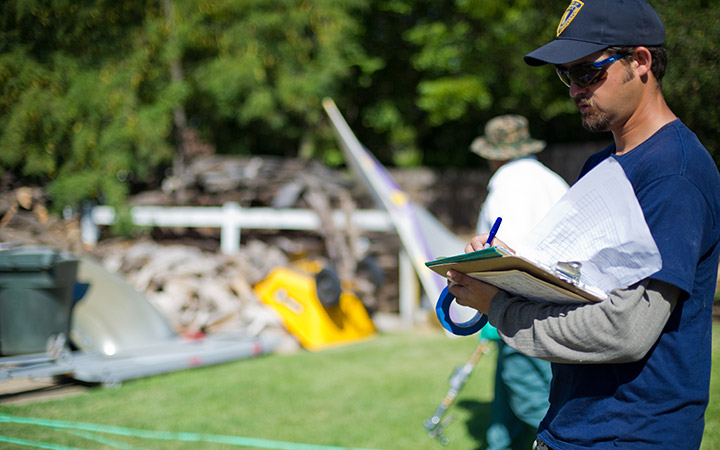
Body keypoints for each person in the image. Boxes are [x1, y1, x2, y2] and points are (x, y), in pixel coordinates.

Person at [446, 1, 720, 449]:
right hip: (572, 427)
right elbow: (580, 287)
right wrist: (507, 268)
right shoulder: (601, 166)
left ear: (641, 61)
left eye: (588, 72)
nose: (574, 89)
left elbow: (626, 329)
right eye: (566, 75)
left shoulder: (675, 173)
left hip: (632, 435)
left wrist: (499, 307)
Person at [470, 114, 568, 450]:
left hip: (519, 304)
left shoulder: (505, 183)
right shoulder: (552, 180)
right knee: (509, 393)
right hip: (560, 300)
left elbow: (498, 249)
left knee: (530, 393)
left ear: (494, 153)